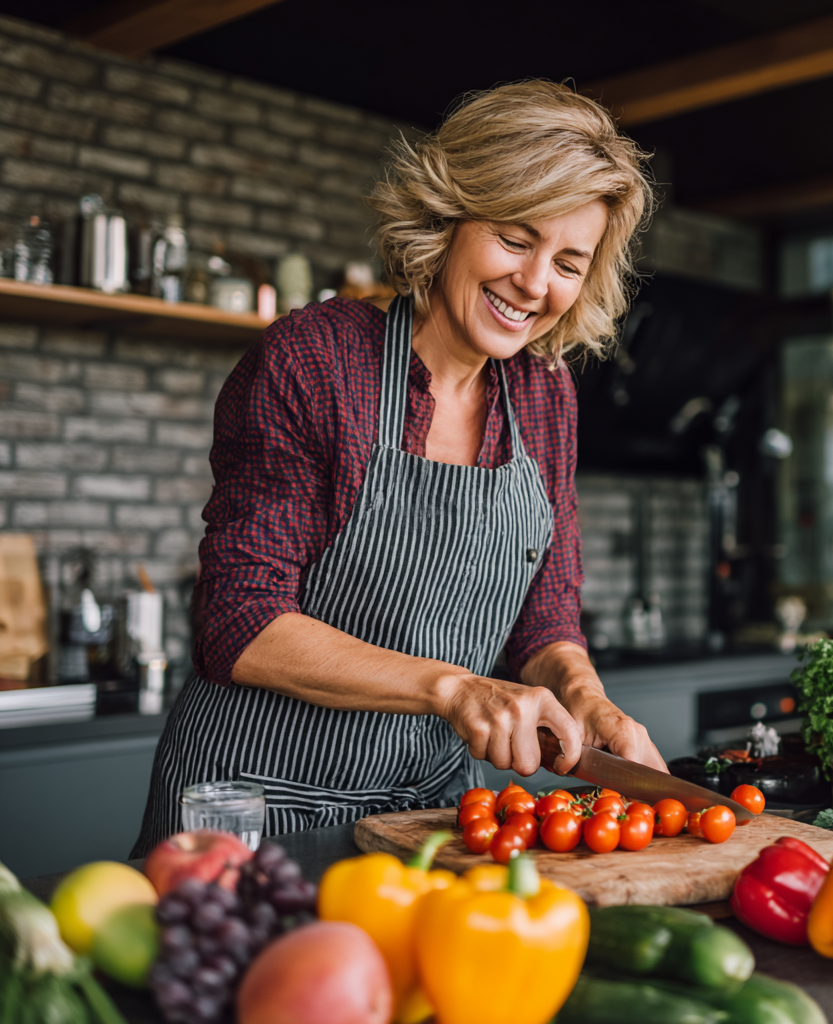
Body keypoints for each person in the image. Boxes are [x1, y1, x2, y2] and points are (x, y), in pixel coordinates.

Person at [132, 80, 665, 854]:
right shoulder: (316, 359)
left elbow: (544, 616)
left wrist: (586, 700)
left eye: (569, 262)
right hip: (254, 811)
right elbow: (238, 623)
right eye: (516, 239)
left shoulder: (546, 397)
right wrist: (453, 688)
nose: (535, 283)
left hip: (432, 820)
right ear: (448, 216)